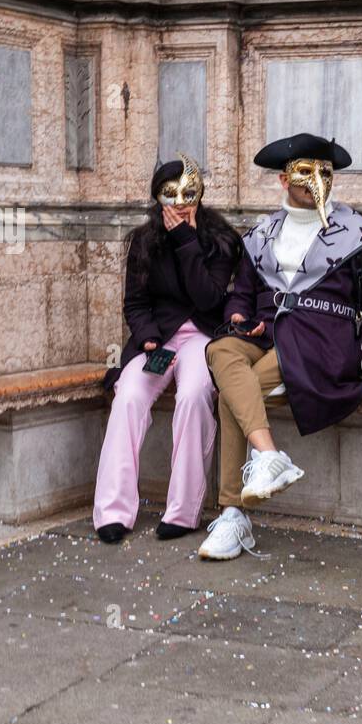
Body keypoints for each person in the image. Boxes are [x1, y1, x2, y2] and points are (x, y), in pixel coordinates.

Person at [199, 133, 362, 560]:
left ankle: (233, 512)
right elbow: (243, 292)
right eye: (305, 172)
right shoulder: (260, 234)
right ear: (282, 180)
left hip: (319, 343)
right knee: (220, 351)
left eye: (325, 172)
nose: (318, 181)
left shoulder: (357, 232)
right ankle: (270, 456)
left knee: (234, 393)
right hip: (264, 334)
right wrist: (239, 315)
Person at [92, 155, 241, 544]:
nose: (180, 202)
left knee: (193, 395)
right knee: (127, 396)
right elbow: (135, 303)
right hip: (158, 337)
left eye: (188, 194)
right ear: (157, 198)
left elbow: (209, 299)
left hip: (203, 335)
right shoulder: (143, 241)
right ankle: (113, 511)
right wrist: (147, 339)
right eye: (170, 195)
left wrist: (187, 243)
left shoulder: (221, 240)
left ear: (200, 195)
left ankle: (183, 510)